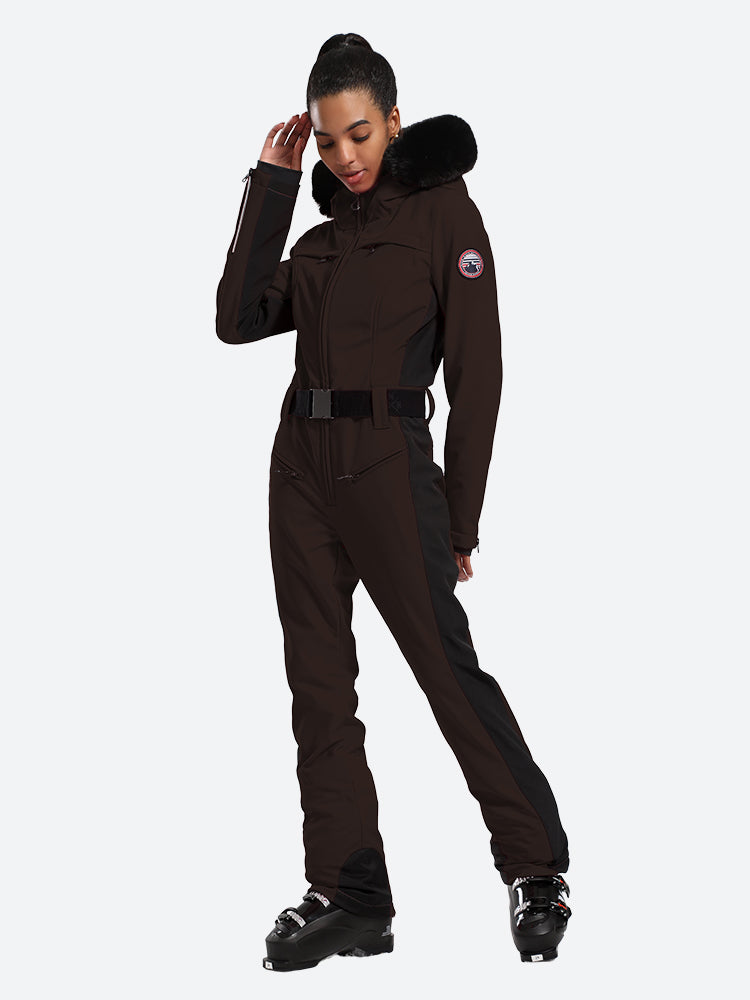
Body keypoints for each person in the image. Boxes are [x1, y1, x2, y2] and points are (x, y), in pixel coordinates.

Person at [215, 33, 572, 971]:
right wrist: (272, 185)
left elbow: (479, 374)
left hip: (388, 466)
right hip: (300, 470)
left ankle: (535, 867)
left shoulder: (446, 215)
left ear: (395, 120)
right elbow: (236, 320)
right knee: (318, 687)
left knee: (446, 672)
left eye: (360, 134)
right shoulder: (321, 238)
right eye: (329, 140)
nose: (345, 156)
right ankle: (352, 894)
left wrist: (461, 517)